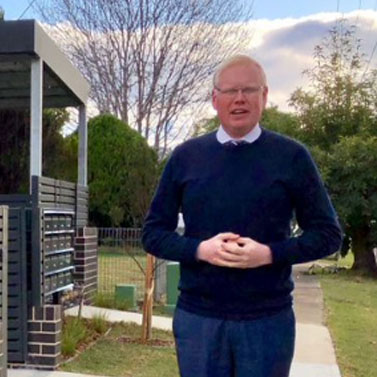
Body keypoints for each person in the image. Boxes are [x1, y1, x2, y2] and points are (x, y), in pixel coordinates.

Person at [142, 55, 342, 377]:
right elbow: (153, 234)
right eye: (230, 90)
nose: (239, 99)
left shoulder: (291, 157)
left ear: (264, 96)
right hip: (199, 320)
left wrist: (268, 254)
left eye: (249, 90)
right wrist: (199, 250)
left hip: (266, 321)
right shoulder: (185, 157)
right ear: (214, 99)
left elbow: (328, 235)